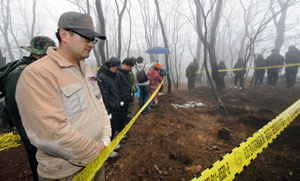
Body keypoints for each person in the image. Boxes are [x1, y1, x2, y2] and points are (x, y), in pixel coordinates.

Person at [15, 11, 110, 180]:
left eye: (93, 40)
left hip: (97, 160)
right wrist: (96, 149)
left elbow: (99, 104)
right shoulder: (38, 75)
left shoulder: (85, 68)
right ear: (64, 35)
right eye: (87, 38)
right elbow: (50, 133)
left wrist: (106, 137)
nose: (91, 44)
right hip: (66, 173)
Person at [4, 36, 55, 181]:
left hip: (47, 129)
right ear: (36, 54)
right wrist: (30, 141)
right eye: (48, 54)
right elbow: (16, 111)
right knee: (38, 165)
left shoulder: (43, 70)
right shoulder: (17, 75)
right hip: (32, 134)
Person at [97, 57, 122, 144]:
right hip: (109, 108)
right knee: (108, 130)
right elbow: (104, 95)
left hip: (115, 106)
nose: (117, 69)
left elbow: (116, 90)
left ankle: (111, 145)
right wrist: (107, 111)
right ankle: (108, 148)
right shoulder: (102, 77)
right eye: (116, 67)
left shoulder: (114, 75)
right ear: (111, 66)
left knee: (114, 127)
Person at [116, 58, 134, 128]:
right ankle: (120, 130)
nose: (130, 68)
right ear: (124, 65)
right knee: (121, 116)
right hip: (122, 99)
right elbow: (118, 87)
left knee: (124, 115)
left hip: (126, 98)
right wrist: (121, 99)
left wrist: (129, 92)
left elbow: (127, 85)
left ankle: (123, 128)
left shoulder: (125, 73)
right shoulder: (118, 73)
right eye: (129, 67)